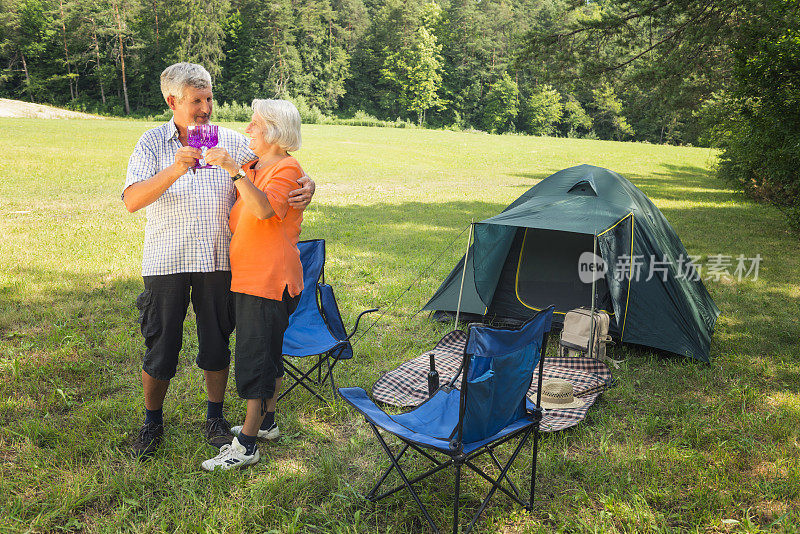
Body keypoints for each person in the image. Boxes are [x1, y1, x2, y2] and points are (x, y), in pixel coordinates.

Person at [122, 63, 315, 459]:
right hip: (166, 260)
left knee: (216, 344)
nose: (206, 108)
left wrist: (309, 184)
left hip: (218, 262)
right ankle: (151, 422)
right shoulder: (151, 143)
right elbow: (132, 200)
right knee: (161, 346)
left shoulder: (227, 143)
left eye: (209, 98)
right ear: (172, 101)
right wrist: (176, 167)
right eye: (197, 101)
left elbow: (278, 161)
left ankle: (214, 417)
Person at [199, 99, 305, 470]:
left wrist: (232, 170)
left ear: (274, 132)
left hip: (268, 280)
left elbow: (264, 210)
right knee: (268, 354)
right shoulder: (257, 165)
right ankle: (268, 423)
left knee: (255, 362)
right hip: (252, 278)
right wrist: (237, 168)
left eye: (255, 124)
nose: (247, 130)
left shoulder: (287, 169)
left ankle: (246, 445)